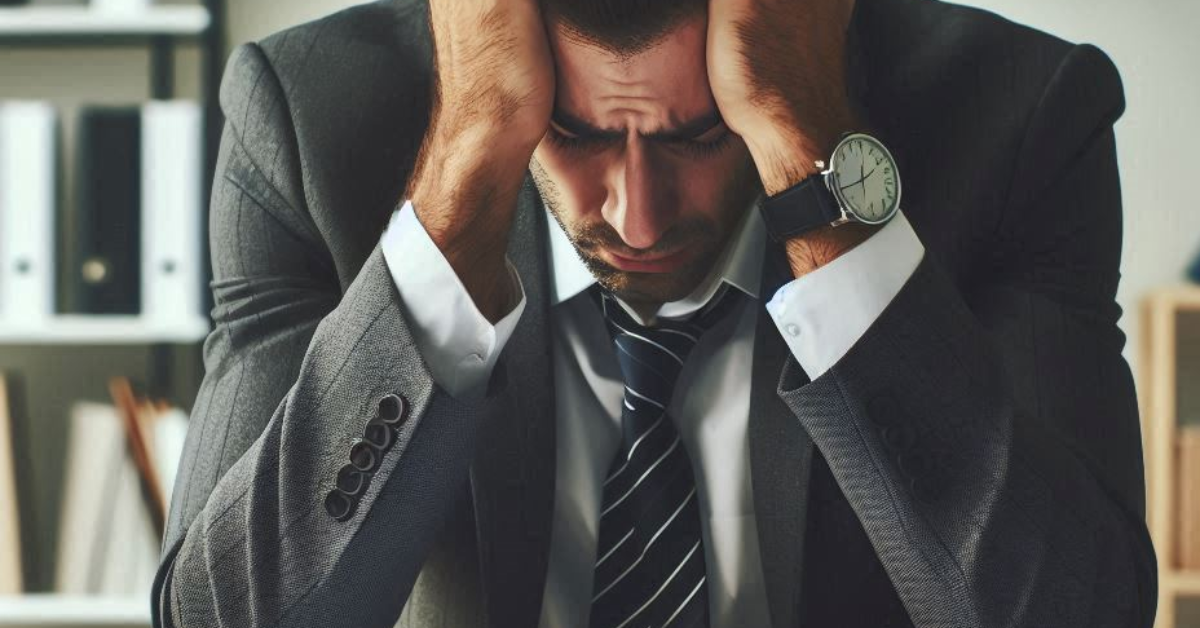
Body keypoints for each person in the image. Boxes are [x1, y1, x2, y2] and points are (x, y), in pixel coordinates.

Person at [150, 0, 1158, 624]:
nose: (634, 213)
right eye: (578, 131)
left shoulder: (1020, 117)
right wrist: (462, 172)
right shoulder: (308, 123)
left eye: (698, 134)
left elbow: (1075, 612)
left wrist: (811, 147)